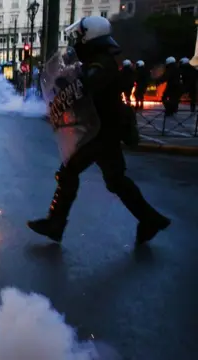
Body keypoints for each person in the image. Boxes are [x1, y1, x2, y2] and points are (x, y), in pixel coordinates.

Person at [28, 16, 170, 245]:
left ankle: (56, 223)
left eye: (80, 36)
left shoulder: (100, 64)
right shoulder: (97, 60)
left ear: (90, 37)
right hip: (105, 129)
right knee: (116, 180)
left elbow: (88, 86)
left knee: (69, 171)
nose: (77, 40)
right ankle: (150, 219)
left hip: (100, 131)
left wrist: (69, 83)